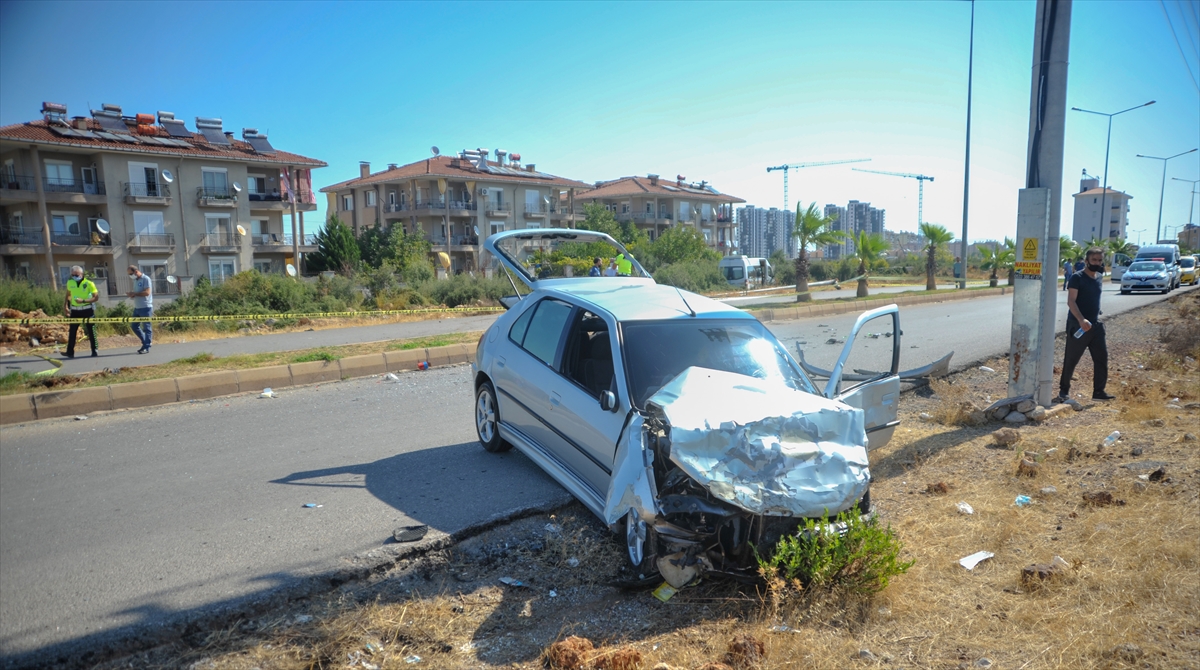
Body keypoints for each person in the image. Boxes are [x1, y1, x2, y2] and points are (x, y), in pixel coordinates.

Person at [1055, 247, 1114, 403]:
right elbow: (1071, 301)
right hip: (1078, 325)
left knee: (1102, 358)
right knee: (1071, 359)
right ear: (1087, 260)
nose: (1097, 263)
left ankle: (1099, 392)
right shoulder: (1077, 278)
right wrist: (1081, 320)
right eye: (1094, 260)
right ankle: (1063, 391)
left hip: (1095, 325)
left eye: (1100, 260)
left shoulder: (1099, 277)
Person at [63, 265, 98, 359]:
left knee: (91, 330)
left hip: (87, 310)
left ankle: (94, 350)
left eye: (76, 274)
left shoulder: (89, 283)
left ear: (81, 274)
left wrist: (83, 301)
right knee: (72, 332)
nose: (74, 276)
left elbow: (96, 297)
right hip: (75, 311)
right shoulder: (70, 282)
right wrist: (65, 306)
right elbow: (68, 294)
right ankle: (70, 352)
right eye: (73, 275)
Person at [126, 264, 153, 354]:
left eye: (131, 274)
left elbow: (147, 292)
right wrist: (132, 295)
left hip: (145, 307)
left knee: (147, 328)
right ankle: (146, 342)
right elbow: (138, 293)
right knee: (134, 326)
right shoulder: (135, 281)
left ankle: (146, 346)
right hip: (137, 307)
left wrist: (135, 293)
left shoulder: (146, 279)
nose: (130, 276)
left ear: (136, 271)